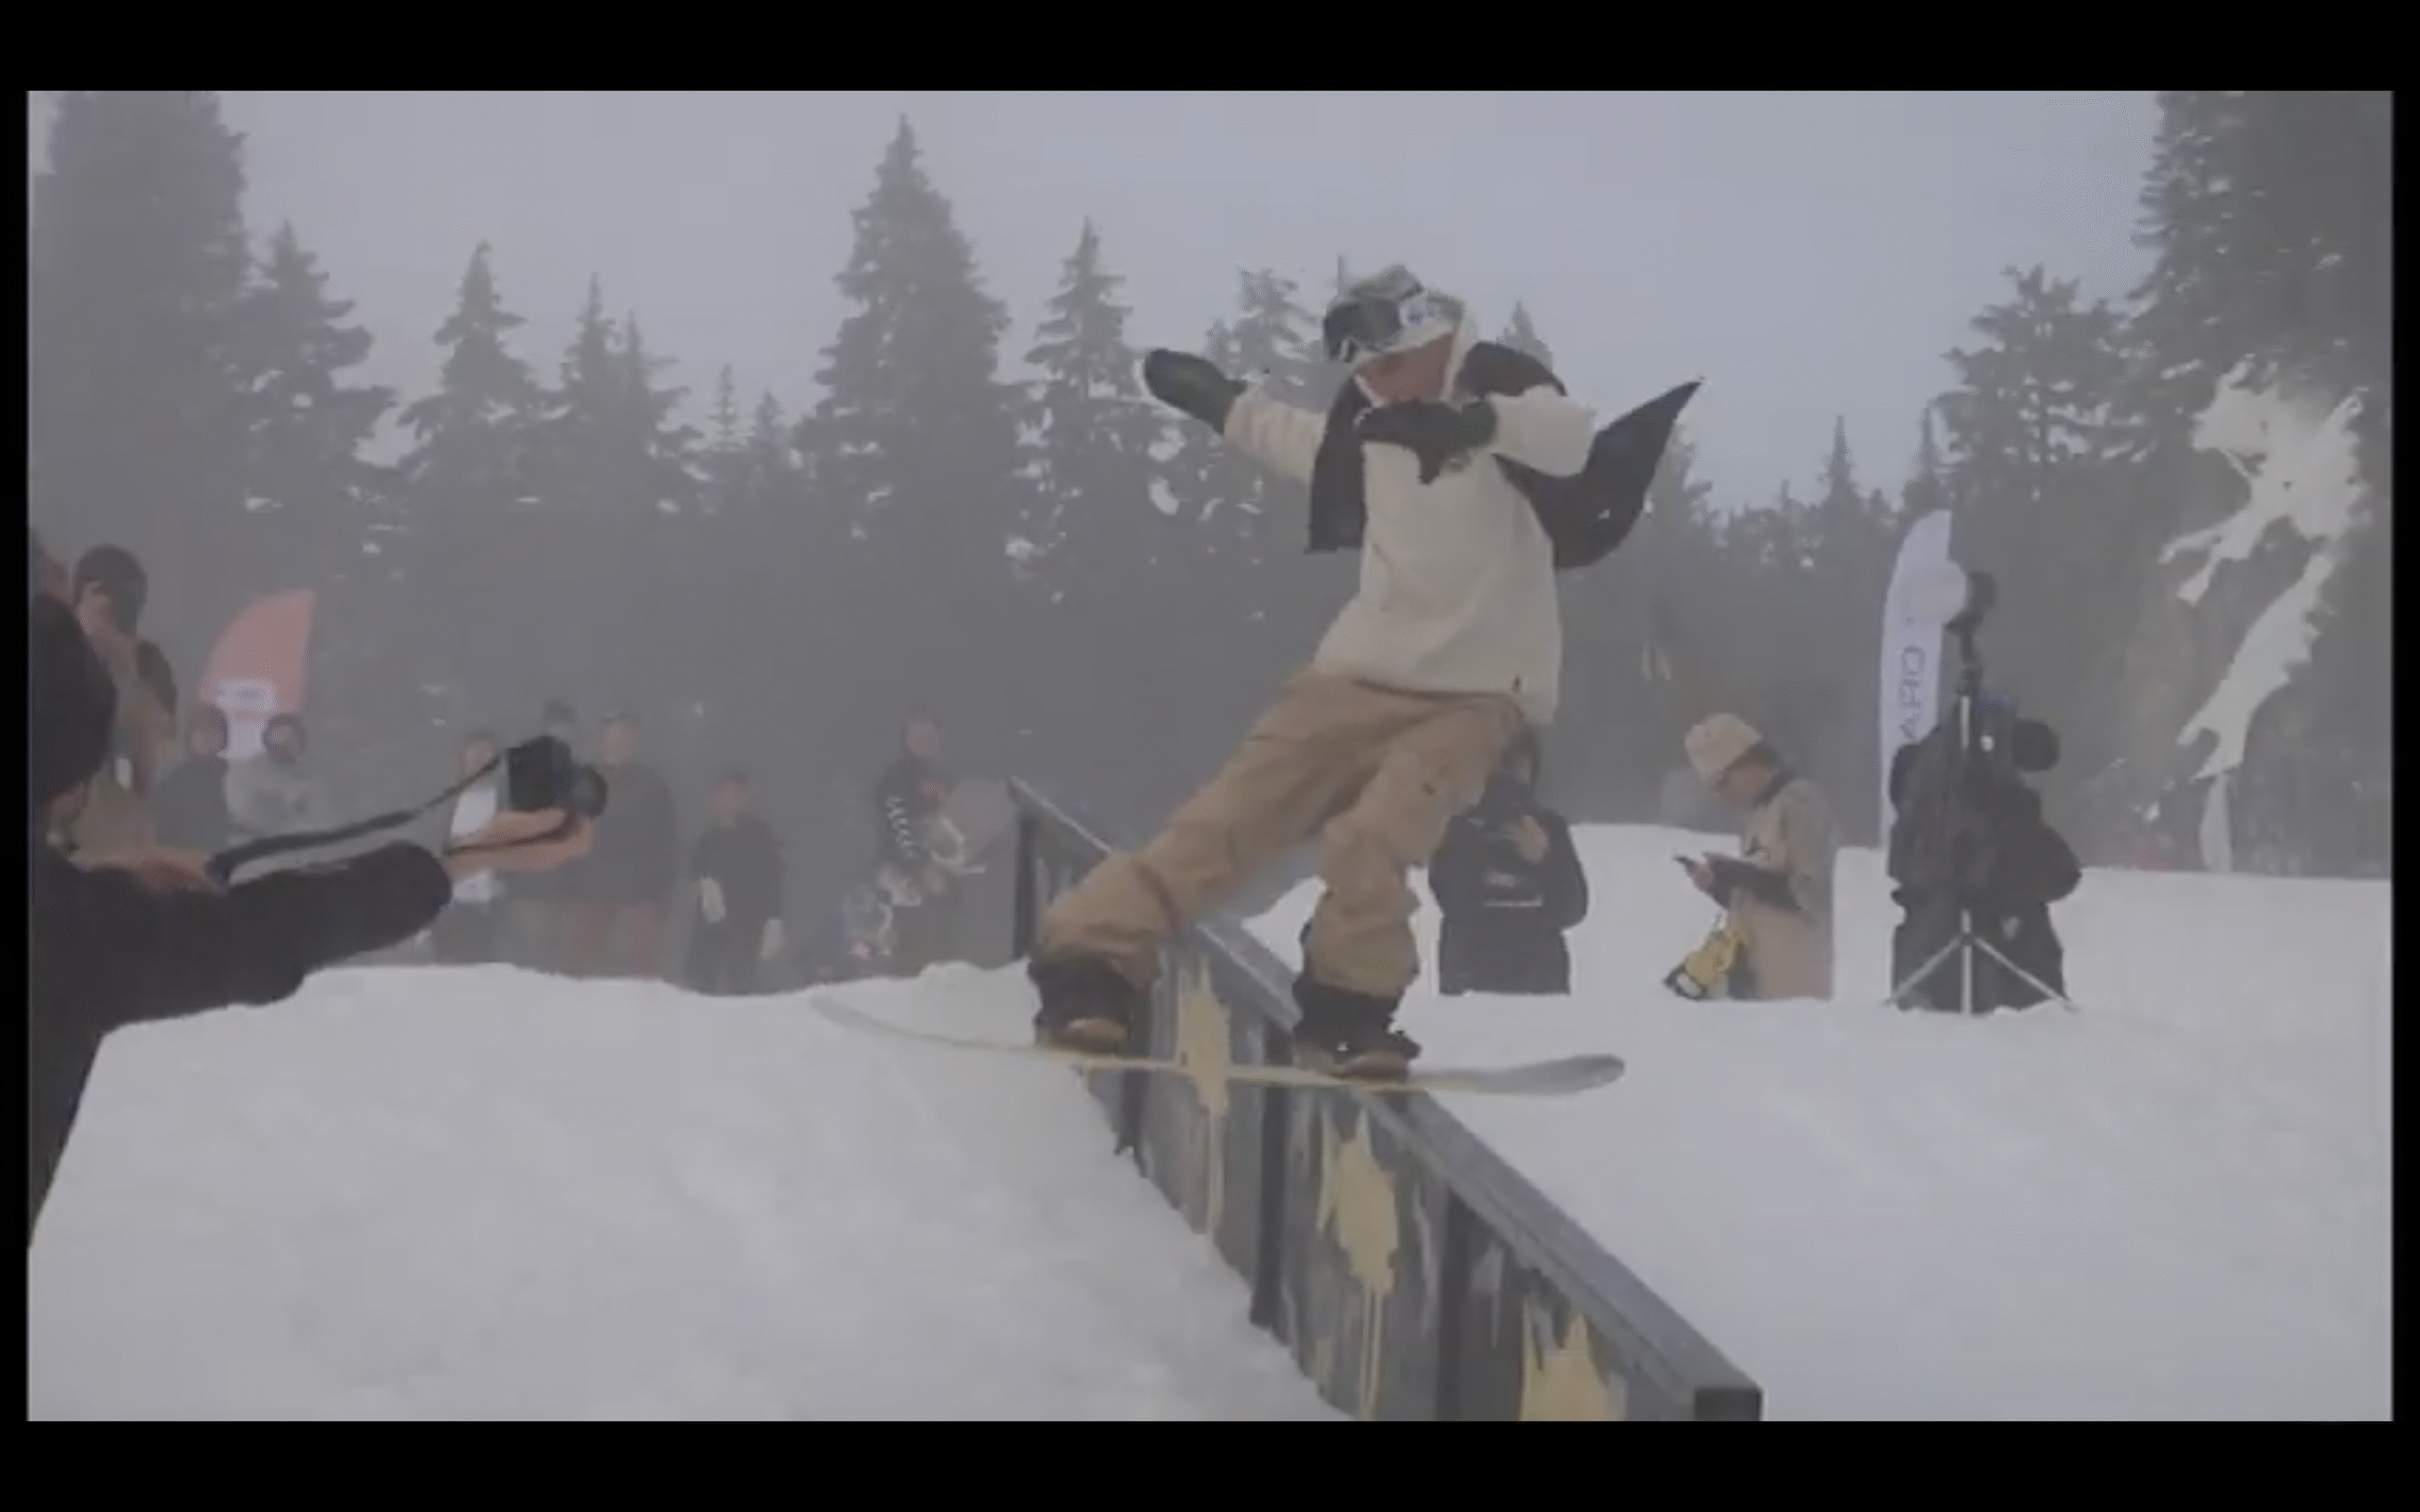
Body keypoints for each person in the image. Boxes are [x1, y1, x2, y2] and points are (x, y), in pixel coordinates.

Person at [1025, 266, 1599, 1079]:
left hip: (1477, 697)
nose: (1377, 385)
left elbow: (1569, 437)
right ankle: (1090, 967)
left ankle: (1348, 1010)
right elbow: (1291, 438)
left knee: (1379, 833)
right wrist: (1221, 403)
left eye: (1391, 365)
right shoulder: (1367, 427)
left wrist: (1476, 424)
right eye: (1365, 372)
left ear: (1435, 341)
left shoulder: (1500, 391)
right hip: (1355, 674)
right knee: (1231, 818)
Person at [28, 587, 592, 1243]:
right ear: (71, 787)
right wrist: (459, 862)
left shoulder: (78, 922)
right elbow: (276, 927)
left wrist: (101, 879)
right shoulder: (78, 934)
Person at [1670, 713, 1839, 1002]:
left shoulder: (1800, 802)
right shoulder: (1759, 812)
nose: (1722, 795)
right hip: (1758, 982)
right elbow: (1762, 903)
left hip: (1795, 990)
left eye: (1723, 783)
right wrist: (1719, 885)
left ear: (1749, 762)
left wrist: (1741, 874)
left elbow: (1810, 896)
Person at [1427, 730, 1590, 997]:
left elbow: (1572, 911)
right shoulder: (1459, 825)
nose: (1507, 782)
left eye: (1517, 769)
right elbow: (1451, 901)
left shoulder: (1549, 827)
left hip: (1539, 982)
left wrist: (1545, 858)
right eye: (1498, 767)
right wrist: (1474, 843)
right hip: (1471, 981)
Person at [59, 544, 174, 859]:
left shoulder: (143, 662)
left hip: (106, 833)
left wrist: (121, 662)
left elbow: (150, 757)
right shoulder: (55, 654)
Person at [562, 710, 679, 978]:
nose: (619, 742)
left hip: (639, 889)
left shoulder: (653, 785)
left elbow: (667, 842)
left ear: (635, 741)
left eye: (625, 736)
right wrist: (568, 886)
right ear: (604, 739)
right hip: (592, 886)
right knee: (579, 970)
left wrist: (662, 892)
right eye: (614, 735)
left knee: (642, 972)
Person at [871, 710, 960, 976]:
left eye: (929, 734)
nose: (924, 741)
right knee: (914, 935)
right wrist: (918, 865)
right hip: (902, 869)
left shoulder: (946, 776)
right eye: (917, 735)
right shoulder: (897, 778)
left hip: (947, 865)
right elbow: (899, 827)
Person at [683, 767, 786, 995]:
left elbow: (773, 878)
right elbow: (694, 875)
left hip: (750, 923)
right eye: (724, 794)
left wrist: (774, 918)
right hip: (711, 926)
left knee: (743, 983)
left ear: (747, 799)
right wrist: (704, 889)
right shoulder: (707, 838)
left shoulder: (761, 835)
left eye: (736, 795)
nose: (729, 801)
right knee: (703, 982)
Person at [501, 697, 583, 969]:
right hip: (530, 886)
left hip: (571, 886)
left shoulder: (582, 777)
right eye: (554, 729)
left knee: (564, 964)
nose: (560, 736)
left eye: (565, 730)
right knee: (531, 960)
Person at [429, 729, 507, 965]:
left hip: (493, 904)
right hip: (453, 904)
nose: (479, 762)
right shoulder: (449, 801)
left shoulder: (507, 800)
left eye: (485, 756)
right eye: (474, 756)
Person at [226, 711, 334, 849]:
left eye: (294, 738)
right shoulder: (243, 772)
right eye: (280, 735)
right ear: (267, 737)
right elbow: (235, 813)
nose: (287, 743)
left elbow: (320, 823)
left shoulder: (308, 783)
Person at [150, 702, 233, 853]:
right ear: (189, 735)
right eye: (202, 731)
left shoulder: (226, 773)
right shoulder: (179, 777)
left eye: (215, 730)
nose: (209, 737)